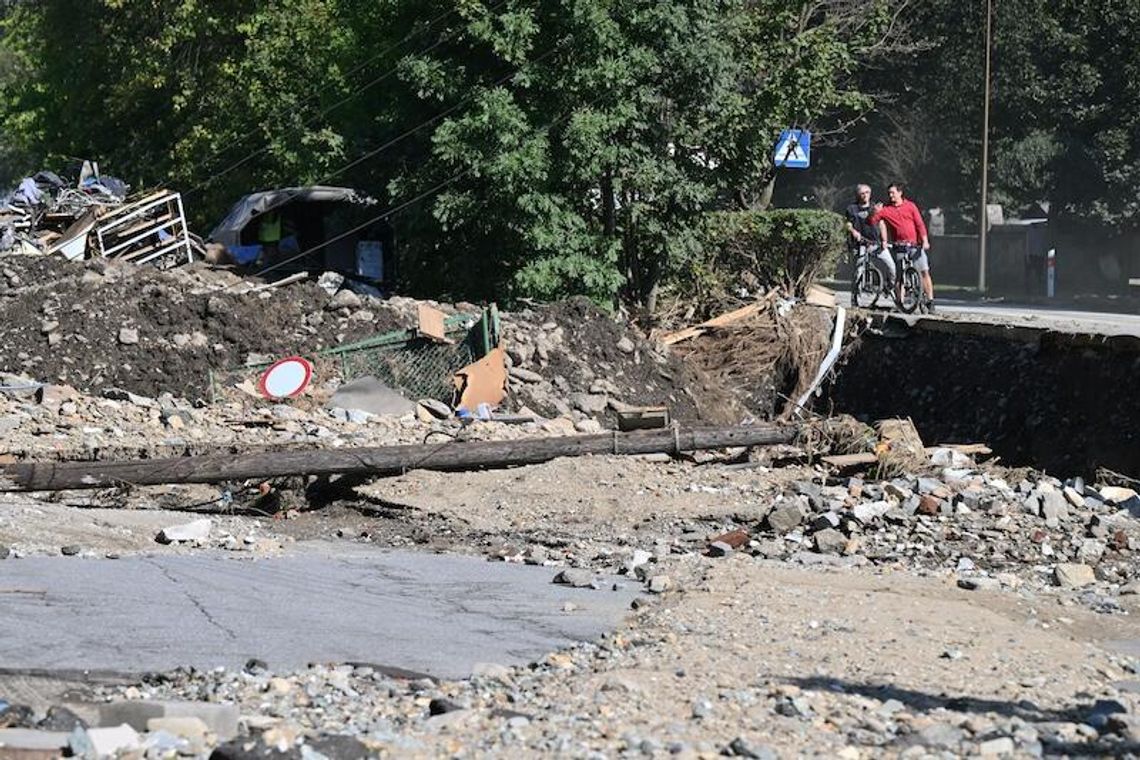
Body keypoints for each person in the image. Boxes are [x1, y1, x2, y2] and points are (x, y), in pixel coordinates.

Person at [872, 182, 935, 311]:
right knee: (899, 276)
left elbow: (920, 224)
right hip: (898, 246)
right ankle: (900, 303)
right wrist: (874, 212)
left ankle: (930, 300)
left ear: (900, 193)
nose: (890, 196)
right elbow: (872, 222)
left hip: (914, 245)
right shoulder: (886, 209)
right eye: (889, 193)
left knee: (924, 271)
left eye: (893, 193)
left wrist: (925, 240)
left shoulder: (910, 206)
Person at [844, 183, 894, 292]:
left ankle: (889, 286)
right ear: (858, 195)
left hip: (875, 243)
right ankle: (855, 297)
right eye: (862, 193)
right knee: (858, 271)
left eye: (867, 193)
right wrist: (854, 232)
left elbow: (882, 224)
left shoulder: (874, 207)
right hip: (860, 244)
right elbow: (848, 224)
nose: (865, 195)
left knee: (892, 266)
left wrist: (884, 240)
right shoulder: (852, 209)